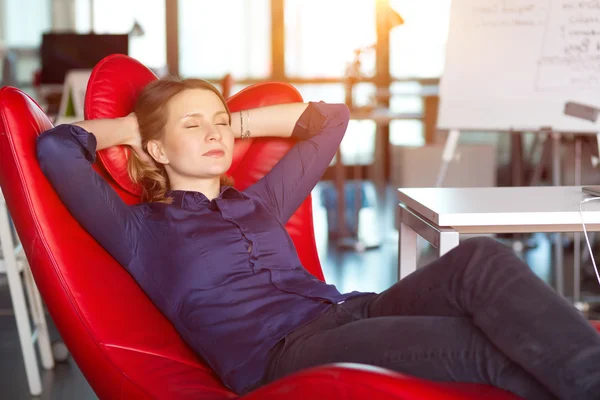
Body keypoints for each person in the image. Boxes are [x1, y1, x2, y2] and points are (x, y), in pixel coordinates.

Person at [37, 76, 600, 400]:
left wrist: (229, 123)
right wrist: (144, 128)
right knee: (486, 348)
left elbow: (330, 118)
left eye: (219, 120)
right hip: (283, 354)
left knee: (479, 259)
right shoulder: (140, 229)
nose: (212, 131)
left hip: (353, 311)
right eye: (193, 126)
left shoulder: (259, 201)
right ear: (157, 149)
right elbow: (57, 148)